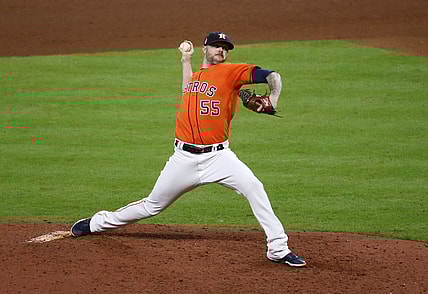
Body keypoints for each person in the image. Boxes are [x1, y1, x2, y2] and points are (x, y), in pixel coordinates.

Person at [71, 32, 306, 267]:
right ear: (205, 48)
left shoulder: (233, 72)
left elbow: (272, 76)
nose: (221, 50)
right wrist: (185, 60)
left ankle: (278, 248)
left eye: (225, 47)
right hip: (183, 158)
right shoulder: (196, 77)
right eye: (216, 46)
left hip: (219, 157)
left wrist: (273, 99)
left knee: (254, 188)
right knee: (152, 206)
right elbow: (187, 92)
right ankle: (97, 223)